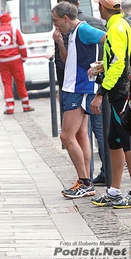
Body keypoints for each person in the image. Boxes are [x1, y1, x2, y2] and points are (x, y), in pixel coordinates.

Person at [52, 2, 106, 198]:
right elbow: (71, 62)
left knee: (66, 136)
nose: (55, 24)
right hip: (73, 87)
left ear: (66, 18)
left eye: (56, 20)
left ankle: (84, 182)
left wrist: (103, 65)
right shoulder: (73, 33)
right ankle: (85, 180)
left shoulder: (83, 29)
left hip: (80, 88)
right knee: (82, 136)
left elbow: (107, 39)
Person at [90, 0, 131, 208]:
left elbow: (118, 64)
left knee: (127, 141)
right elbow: (120, 58)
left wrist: (100, 93)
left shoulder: (116, 27)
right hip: (121, 89)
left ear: (102, 8)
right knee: (114, 141)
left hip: (120, 93)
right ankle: (114, 191)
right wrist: (101, 66)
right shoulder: (122, 24)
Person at [0, 13, 34, 114]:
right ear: (9, 21)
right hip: (16, 61)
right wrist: (23, 58)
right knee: (20, 82)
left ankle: (9, 108)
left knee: (7, 84)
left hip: (3, 62)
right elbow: (22, 46)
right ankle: (26, 106)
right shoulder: (14, 31)